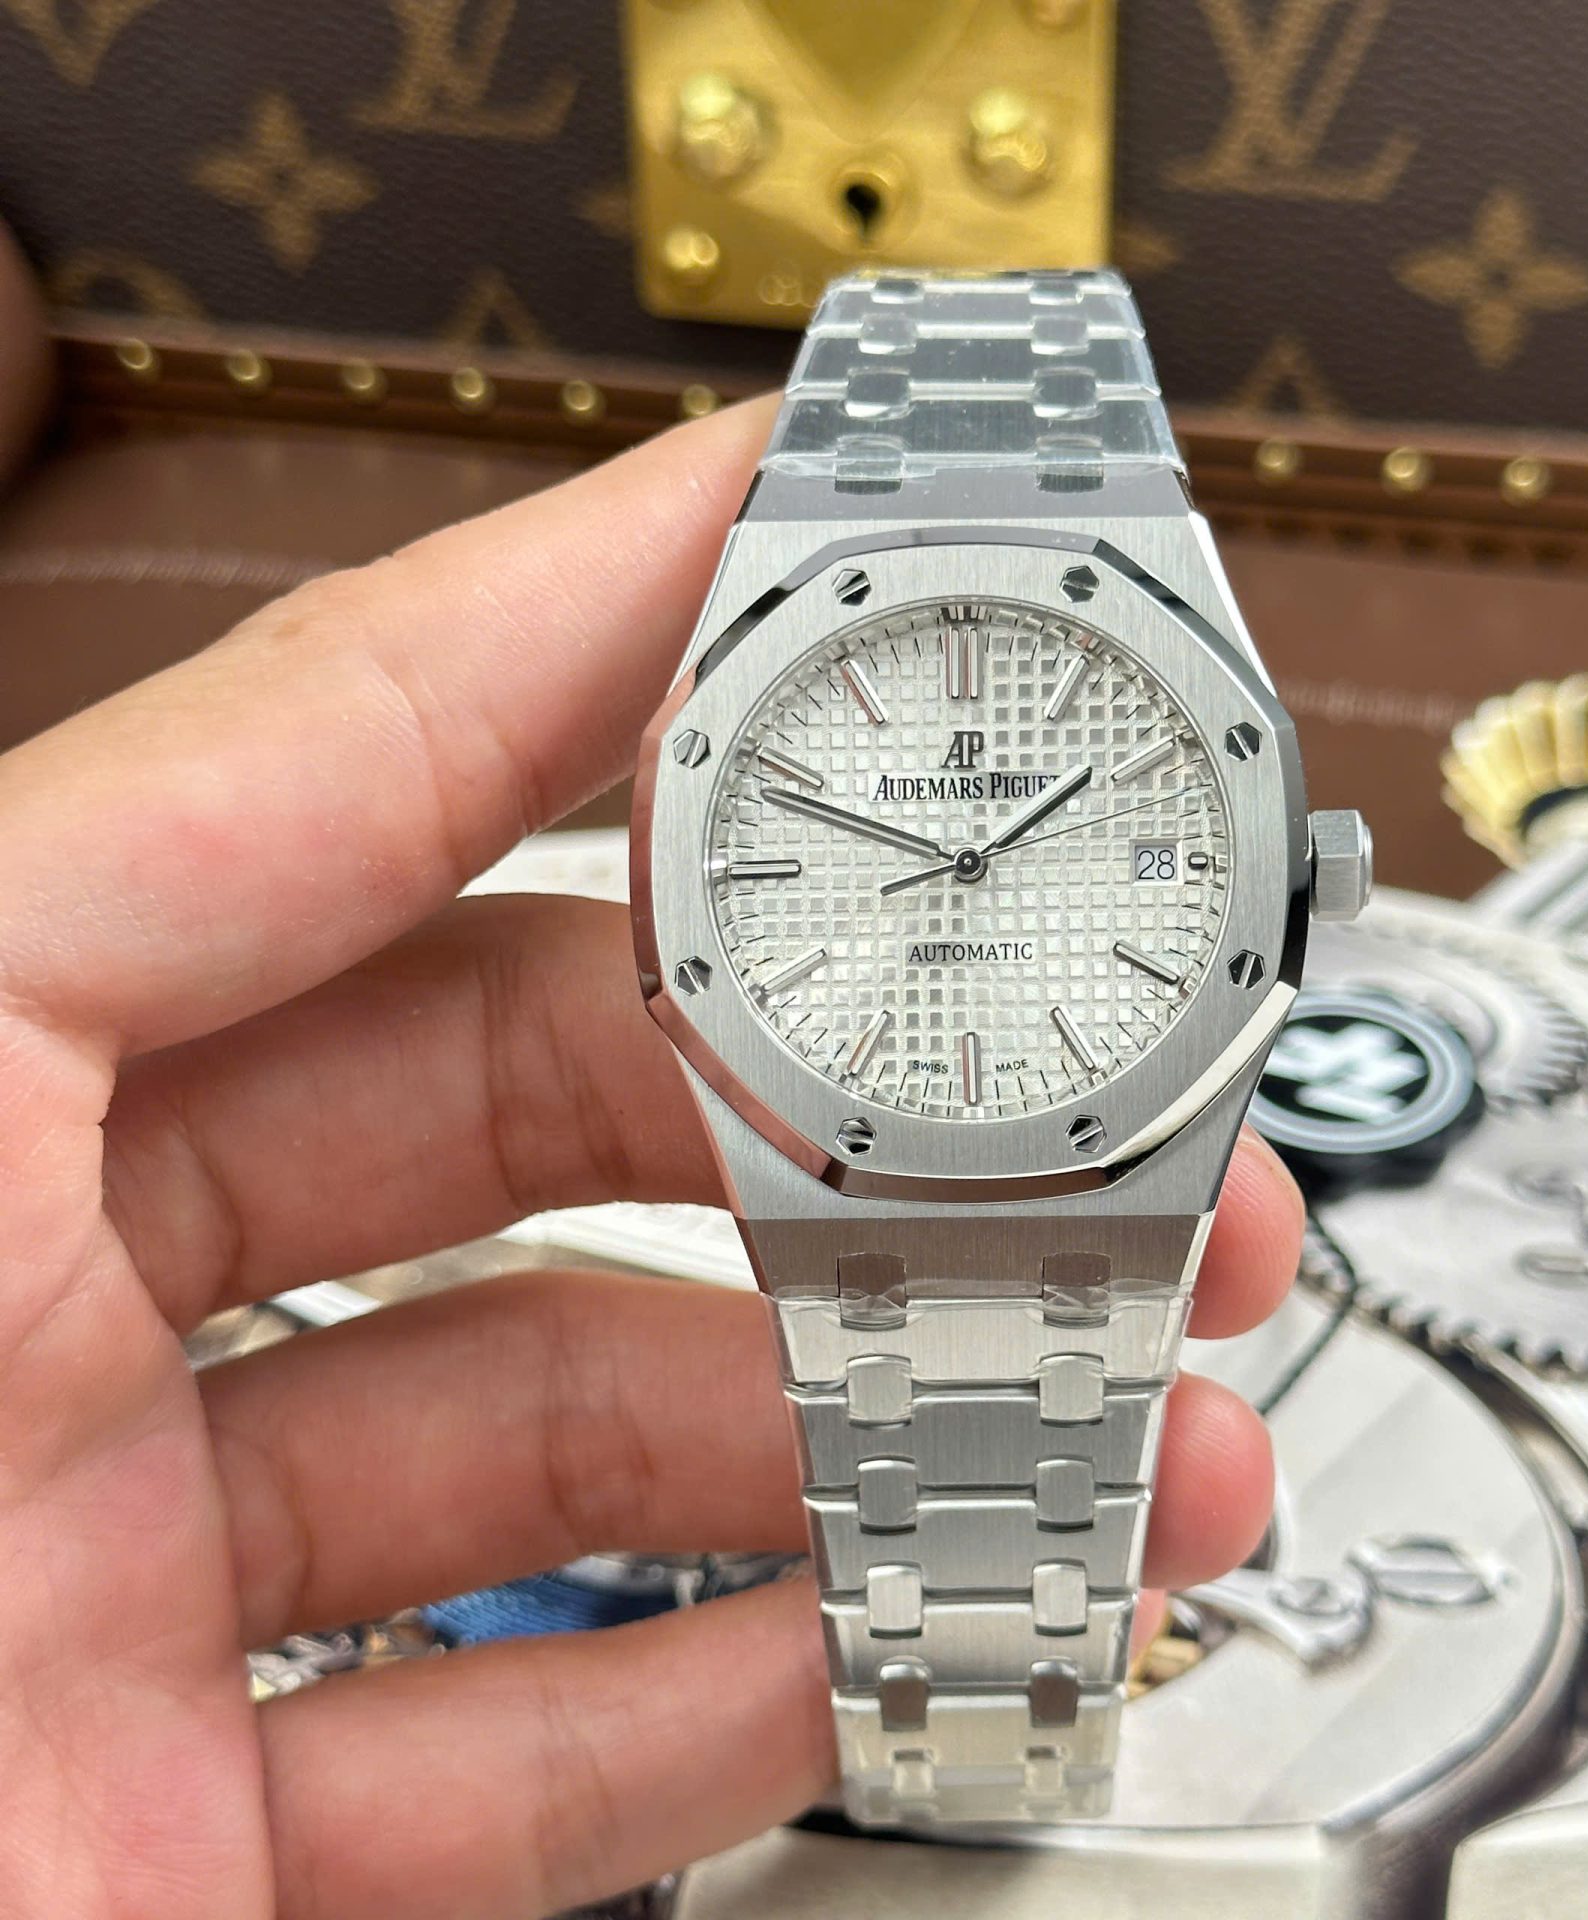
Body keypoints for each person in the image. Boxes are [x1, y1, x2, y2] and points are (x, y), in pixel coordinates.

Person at [0, 287, 1303, 1916]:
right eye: (951, 851)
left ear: (1295, 872)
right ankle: (967, 1756)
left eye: (992, 850)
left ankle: (980, 1756)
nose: (972, 862)